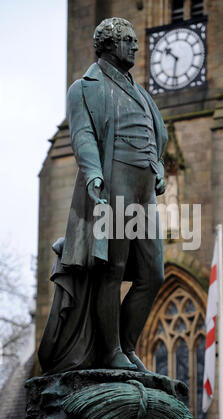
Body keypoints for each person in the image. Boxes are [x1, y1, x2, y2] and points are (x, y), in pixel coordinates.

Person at [38, 17, 168, 374]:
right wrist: (94, 174)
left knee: (153, 272)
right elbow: (81, 135)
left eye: (135, 40)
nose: (136, 47)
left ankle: (126, 345)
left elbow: (160, 136)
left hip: (144, 189)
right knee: (112, 269)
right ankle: (111, 351)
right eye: (128, 40)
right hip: (115, 182)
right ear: (109, 44)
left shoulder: (141, 93)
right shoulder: (85, 87)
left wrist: (157, 167)